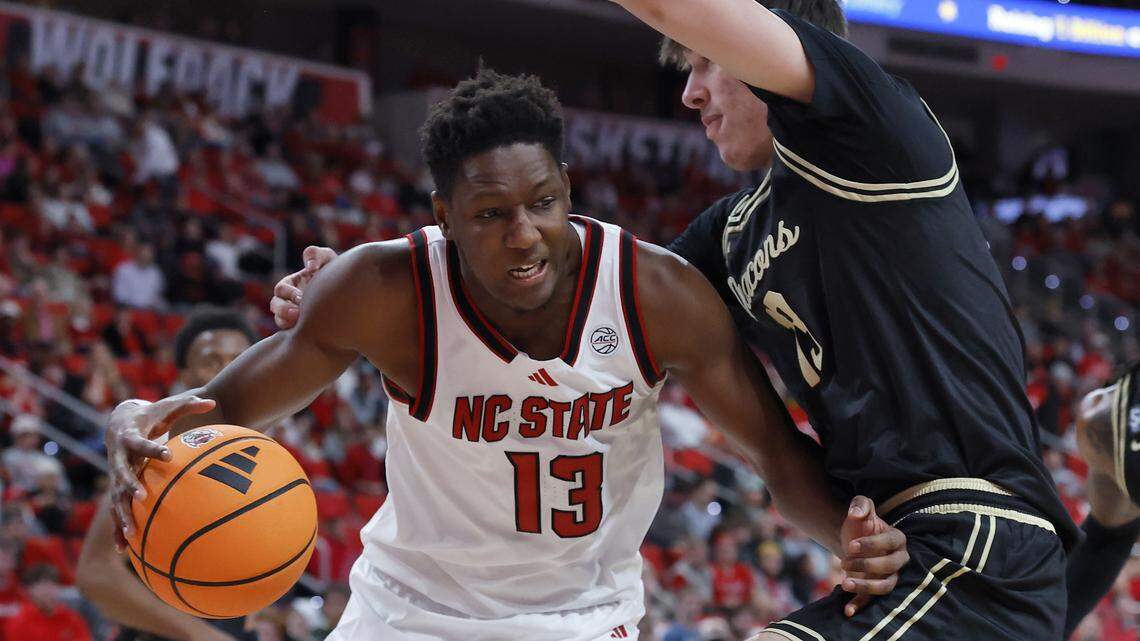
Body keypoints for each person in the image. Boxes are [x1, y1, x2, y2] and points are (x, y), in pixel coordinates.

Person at [279, 2, 1080, 638]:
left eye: (704, 64)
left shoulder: (875, 133)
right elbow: (579, 287)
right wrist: (357, 288)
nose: (691, 93)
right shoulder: (732, 234)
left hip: (980, 532)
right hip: (903, 551)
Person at [105, 68, 907, 641]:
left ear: (567, 187)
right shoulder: (384, 291)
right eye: (491, 214)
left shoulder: (655, 295)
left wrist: (848, 538)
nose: (525, 235)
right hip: (405, 612)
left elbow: (775, 452)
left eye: (543, 202)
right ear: (444, 214)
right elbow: (223, 409)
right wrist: (136, 419)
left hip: (581, 618)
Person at [77, 307, 257, 641]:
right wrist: (202, 636)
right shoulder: (159, 449)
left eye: (238, 360)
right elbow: (96, 571)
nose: (227, 371)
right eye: (211, 361)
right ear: (186, 376)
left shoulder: (263, 449)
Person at [1063, 360, 1140, 636]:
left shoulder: (1098, 411)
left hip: (1109, 416)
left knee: (1107, 534)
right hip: (1114, 427)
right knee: (1108, 535)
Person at [4, 564, 92, 641]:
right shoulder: (19, 622)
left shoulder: (71, 617)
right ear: (29, 591)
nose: (49, 592)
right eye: (43, 586)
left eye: (53, 585)